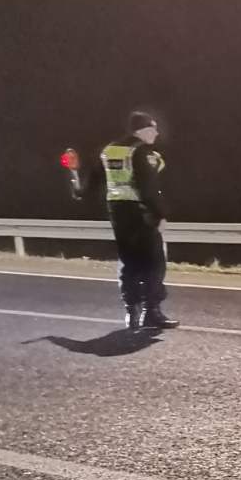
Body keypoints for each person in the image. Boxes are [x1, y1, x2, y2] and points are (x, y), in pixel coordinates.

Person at [76, 111, 178, 331]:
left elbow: (88, 187)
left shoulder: (108, 151)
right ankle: (152, 312)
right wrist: (160, 214)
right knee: (154, 262)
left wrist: (77, 186)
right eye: (153, 129)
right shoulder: (139, 151)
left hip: (117, 214)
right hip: (140, 213)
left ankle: (132, 311)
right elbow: (147, 188)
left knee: (129, 262)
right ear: (142, 130)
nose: (156, 133)